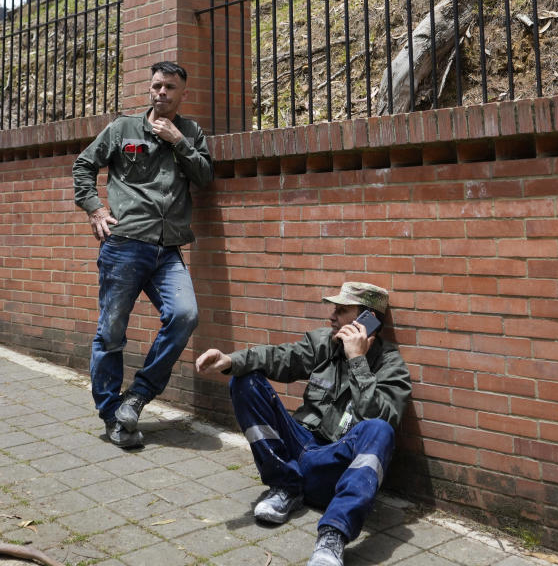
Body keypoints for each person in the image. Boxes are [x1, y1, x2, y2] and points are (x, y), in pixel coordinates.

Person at [195, 282, 412, 566]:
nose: (332, 317)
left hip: (335, 471)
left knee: (380, 430)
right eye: (334, 309)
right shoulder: (324, 342)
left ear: (367, 320)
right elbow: (282, 357)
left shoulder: (391, 366)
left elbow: (379, 417)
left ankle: (332, 535)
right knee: (245, 380)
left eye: (342, 310)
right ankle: (285, 487)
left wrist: (358, 361)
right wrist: (230, 361)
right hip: (298, 448)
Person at [73, 61, 213, 448]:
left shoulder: (191, 132)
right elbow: (84, 165)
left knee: (185, 315)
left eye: (170, 87)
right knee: (111, 333)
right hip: (125, 245)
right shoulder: (123, 129)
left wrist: (177, 141)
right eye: (156, 86)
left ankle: (136, 398)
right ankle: (111, 415)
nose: (161, 93)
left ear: (183, 93)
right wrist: (96, 209)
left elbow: (204, 176)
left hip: (168, 249)